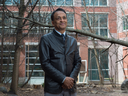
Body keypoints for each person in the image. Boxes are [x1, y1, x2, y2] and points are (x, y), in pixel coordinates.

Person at [39, 8, 82, 96]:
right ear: (53, 22)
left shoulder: (73, 41)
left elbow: (77, 62)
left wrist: (71, 80)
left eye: (64, 18)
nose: (62, 20)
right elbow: (45, 63)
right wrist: (63, 79)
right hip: (53, 89)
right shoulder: (46, 39)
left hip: (70, 88)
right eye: (58, 18)